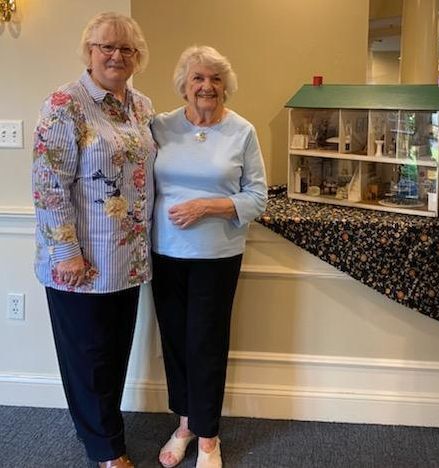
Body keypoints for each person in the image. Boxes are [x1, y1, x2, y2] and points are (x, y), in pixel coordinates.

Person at [31, 12, 156, 468]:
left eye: (126, 49)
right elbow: (48, 185)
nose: (116, 55)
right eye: (106, 46)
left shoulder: (141, 106)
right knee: (87, 359)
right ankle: (105, 451)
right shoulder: (64, 104)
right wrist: (66, 252)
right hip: (79, 260)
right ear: (89, 52)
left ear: (137, 58)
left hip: (128, 259)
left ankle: (108, 434)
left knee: (113, 354)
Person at [150, 45, 267, 468]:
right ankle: (184, 424)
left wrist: (207, 206)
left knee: (207, 345)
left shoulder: (242, 131)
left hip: (216, 256)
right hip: (164, 253)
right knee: (176, 343)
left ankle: (209, 437)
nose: (207, 86)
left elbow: (257, 198)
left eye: (216, 79)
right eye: (198, 77)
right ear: (184, 84)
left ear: (226, 86)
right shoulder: (159, 126)